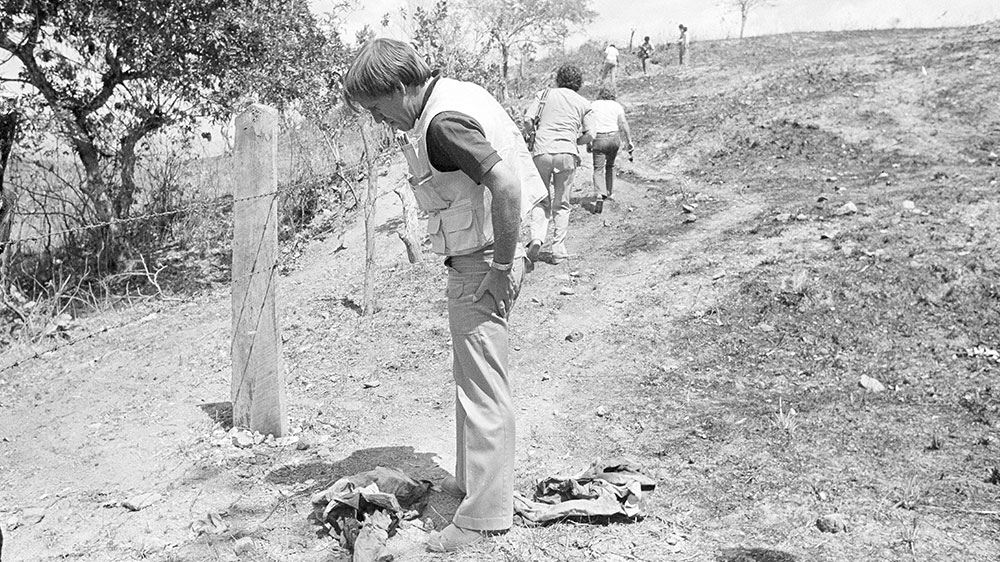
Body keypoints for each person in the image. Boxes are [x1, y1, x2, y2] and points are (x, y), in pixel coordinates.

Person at [342, 38, 547, 552]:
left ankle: (483, 519)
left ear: (399, 86)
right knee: (473, 377)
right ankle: (473, 483)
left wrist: (501, 267)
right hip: (490, 251)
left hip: (483, 261)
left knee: (482, 388)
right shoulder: (456, 94)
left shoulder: (441, 123)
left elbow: (505, 184)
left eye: (376, 106)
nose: (378, 118)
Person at [523, 64, 594, 264]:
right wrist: (574, 141)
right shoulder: (583, 102)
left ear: (559, 79)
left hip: (542, 152)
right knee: (562, 203)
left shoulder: (544, 94)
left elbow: (528, 120)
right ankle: (558, 249)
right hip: (567, 154)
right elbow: (590, 135)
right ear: (578, 82)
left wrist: (533, 135)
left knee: (541, 199)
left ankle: (536, 238)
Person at [588, 86, 633, 214]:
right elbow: (623, 123)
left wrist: (588, 141)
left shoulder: (593, 105)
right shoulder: (616, 105)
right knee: (610, 166)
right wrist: (629, 141)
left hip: (599, 138)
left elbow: (589, 123)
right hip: (614, 138)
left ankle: (599, 194)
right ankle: (609, 192)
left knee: (598, 169)